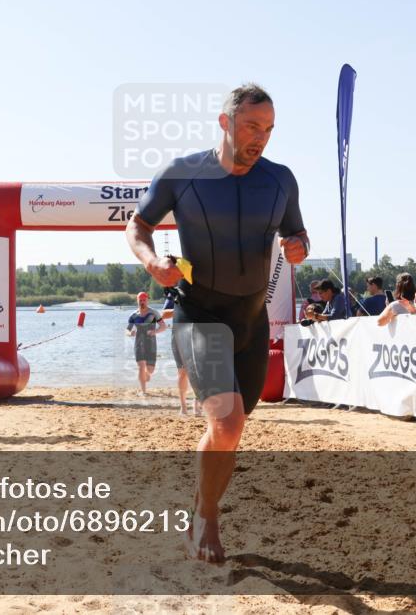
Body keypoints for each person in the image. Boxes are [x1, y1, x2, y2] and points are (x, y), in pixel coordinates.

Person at [126, 83, 308, 563]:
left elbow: (296, 231)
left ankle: (201, 506)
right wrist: (151, 263)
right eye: (251, 126)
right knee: (225, 424)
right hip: (198, 312)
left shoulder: (281, 179)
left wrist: (298, 247)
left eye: (268, 129)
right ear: (225, 122)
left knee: (235, 426)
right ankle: (206, 518)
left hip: (251, 320)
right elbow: (137, 225)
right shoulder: (183, 173)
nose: (260, 138)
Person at [162, 288, 200, 415]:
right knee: (182, 372)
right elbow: (164, 314)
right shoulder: (174, 292)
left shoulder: (201, 290)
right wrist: (181, 310)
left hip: (198, 333)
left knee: (197, 371)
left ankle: (196, 406)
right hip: (178, 335)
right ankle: (183, 407)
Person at [125, 291, 166, 397]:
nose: (142, 302)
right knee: (141, 366)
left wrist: (155, 332)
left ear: (147, 300)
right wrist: (130, 333)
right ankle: (143, 391)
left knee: (150, 370)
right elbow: (127, 330)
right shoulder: (133, 315)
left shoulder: (154, 313)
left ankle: (147, 374)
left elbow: (163, 326)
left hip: (151, 343)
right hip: (139, 343)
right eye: (140, 300)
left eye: (144, 300)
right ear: (137, 301)